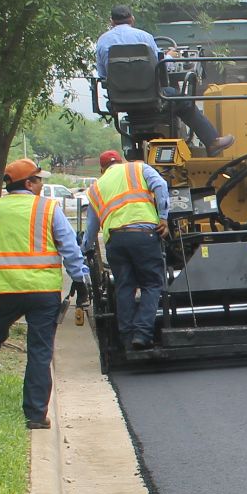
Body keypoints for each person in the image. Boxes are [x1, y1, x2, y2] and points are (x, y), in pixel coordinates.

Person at [0, 158, 91, 430]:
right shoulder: (48, 209)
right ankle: (36, 415)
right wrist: (80, 279)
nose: (41, 184)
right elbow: (69, 248)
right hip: (43, 292)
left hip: (6, 289)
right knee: (40, 350)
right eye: (39, 180)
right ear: (28, 183)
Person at [94, 4, 236, 156]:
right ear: (132, 19)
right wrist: (170, 56)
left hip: (119, 101)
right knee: (184, 101)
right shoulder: (144, 37)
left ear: (111, 21)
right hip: (152, 97)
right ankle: (212, 142)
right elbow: (160, 67)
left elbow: (103, 76)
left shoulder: (102, 41)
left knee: (172, 96)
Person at [86, 149, 170, 351]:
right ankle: (142, 334)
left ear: (102, 169)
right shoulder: (138, 168)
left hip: (115, 240)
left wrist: (85, 250)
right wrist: (163, 217)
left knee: (125, 287)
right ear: (121, 161)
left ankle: (126, 338)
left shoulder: (95, 187)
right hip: (143, 235)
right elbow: (161, 185)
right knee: (151, 284)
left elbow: (91, 228)